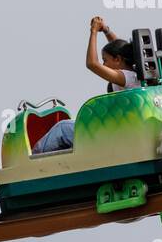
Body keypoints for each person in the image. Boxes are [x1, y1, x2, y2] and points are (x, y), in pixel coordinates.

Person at [31, 17, 138, 154]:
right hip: (118, 129)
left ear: (117, 59)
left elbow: (92, 64)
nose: (103, 65)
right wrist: (105, 30)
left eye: (105, 60)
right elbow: (121, 49)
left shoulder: (125, 77)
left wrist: (93, 31)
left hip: (111, 134)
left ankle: (32, 161)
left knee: (62, 127)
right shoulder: (134, 74)